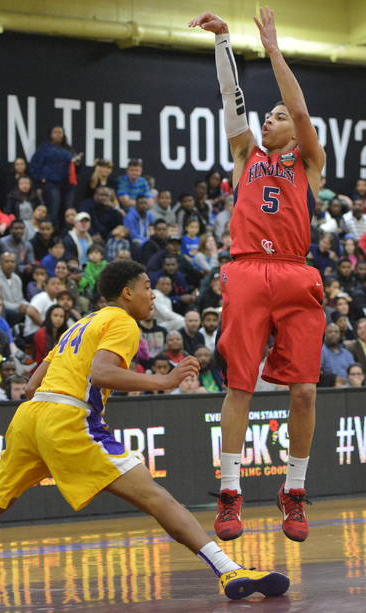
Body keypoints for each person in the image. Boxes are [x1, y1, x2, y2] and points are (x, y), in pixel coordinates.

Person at [0, 260, 289, 606]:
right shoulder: (122, 323)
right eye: (147, 287)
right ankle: (230, 572)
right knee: (157, 497)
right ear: (127, 293)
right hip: (69, 422)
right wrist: (164, 382)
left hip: (31, 418)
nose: (154, 295)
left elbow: (34, 385)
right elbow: (103, 372)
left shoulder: (79, 324)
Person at [189, 6, 327, 543]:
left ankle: (293, 490)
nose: (271, 118)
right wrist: (224, 42)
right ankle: (229, 491)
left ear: (296, 131)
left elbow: (297, 104)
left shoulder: (308, 161)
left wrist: (272, 49)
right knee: (240, 386)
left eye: (278, 116)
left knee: (305, 393)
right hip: (247, 269)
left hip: (295, 273)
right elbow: (231, 101)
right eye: (267, 116)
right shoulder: (247, 153)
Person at [29, 126, 75, 226]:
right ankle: (49, 235)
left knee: (68, 212)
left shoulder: (68, 149)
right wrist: (40, 178)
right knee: (53, 210)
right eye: (55, 132)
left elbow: (74, 169)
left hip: (67, 185)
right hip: (52, 184)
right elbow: (34, 164)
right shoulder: (45, 148)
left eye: (60, 132)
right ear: (50, 135)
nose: (58, 134)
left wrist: (78, 164)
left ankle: (65, 236)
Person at [23, 276, 63, 342]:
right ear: (45, 287)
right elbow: (30, 311)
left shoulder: (55, 301)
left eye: (58, 284)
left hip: (47, 333)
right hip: (33, 332)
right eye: (53, 284)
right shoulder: (42, 297)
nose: (56, 286)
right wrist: (43, 326)